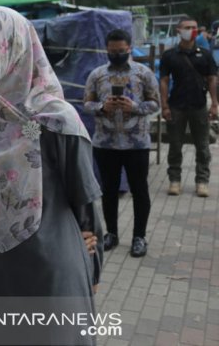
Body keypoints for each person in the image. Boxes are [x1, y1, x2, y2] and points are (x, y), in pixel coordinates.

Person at [0, 7, 102, 344]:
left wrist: (93, 262)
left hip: (52, 269)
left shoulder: (55, 118)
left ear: (13, 46)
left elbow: (86, 202)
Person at [83, 29, 159, 257]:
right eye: (112, 51)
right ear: (107, 50)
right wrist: (101, 107)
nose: (117, 54)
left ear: (129, 48)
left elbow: (155, 103)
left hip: (137, 144)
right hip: (105, 144)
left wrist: (134, 107)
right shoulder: (96, 75)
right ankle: (112, 233)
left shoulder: (143, 73)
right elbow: (86, 103)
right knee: (108, 190)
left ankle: (139, 237)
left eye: (122, 51)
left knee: (140, 190)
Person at [160, 16, 218, 198]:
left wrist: (214, 103)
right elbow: (163, 81)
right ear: (179, 30)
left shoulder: (206, 54)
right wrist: (164, 105)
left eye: (194, 27)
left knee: (202, 146)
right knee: (175, 145)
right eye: (187, 27)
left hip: (199, 105)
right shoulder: (169, 55)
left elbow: (211, 79)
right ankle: (174, 180)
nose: (191, 30)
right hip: (176, 105)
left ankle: (202, 181)